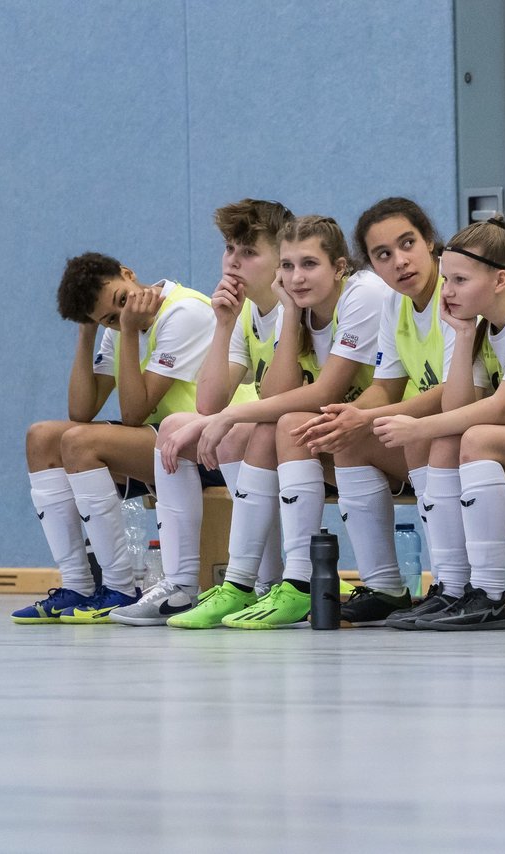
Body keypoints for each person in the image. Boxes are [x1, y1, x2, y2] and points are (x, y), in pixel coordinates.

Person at [160, 215, 385, 629]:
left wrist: (230, 416)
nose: (296, 277)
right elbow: (275, 397)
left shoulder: (363, 294)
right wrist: (286, 314)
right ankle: (242, 583)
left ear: (340, 267)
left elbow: (322, 393)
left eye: (309, 265)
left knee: (278, 426)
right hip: (343, 429)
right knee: (268, 426)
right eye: (288, 265)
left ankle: (297, 582)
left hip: (385, 425)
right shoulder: (292, 308)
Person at [373, 216, 505, 630]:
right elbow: (457, 410)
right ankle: (452, 588)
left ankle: (489, 594)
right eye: (446, 279)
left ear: (500, 280)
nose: (447, 292)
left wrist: (418, 425)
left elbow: (501, 410)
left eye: (460, 280)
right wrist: (464, 336)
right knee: (439, 441)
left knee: (473, 436)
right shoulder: (483, 323)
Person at [112, 199, 294, 627]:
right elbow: (209, 403)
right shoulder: (244, 310)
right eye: (230, 249)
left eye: (249, 252)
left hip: (308, 430)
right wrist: (225, 324)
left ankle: (261, 583)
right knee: (174, 427)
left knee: (233, 432)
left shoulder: (294, 308)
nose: (234, 261)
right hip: (270, 429)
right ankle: (179, 586)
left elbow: (286, 397)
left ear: (280, 259)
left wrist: (224, 420)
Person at [290, 198, 470, 628]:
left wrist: (368, 417)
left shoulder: (458, 288)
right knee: (350, 436)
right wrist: (349, 416)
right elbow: (385, 388)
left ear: (430, 241)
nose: (400, 261)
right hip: (437, 430)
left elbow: (455, 392)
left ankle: (452, 586)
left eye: (407, 243)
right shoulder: (394, 301)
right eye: (383, 255)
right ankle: (385, 586)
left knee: (418, 433)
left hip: (472, 427)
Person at [11, 252, 216, 624]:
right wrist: (87, 331)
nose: (120, 319)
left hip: (210, 446)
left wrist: (129, 331)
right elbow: (81, 411)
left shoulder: (184, 313)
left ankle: (120, 586)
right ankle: (78, 585)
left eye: (122, 301)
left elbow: (133, 414)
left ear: (129, 274)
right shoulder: (118, 329)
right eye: (108, 318)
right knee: (41, 438)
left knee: (80, 443)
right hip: (161, 446)